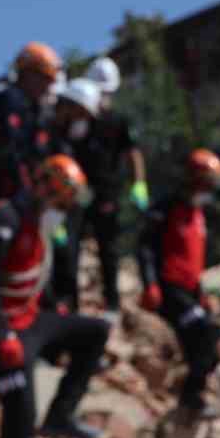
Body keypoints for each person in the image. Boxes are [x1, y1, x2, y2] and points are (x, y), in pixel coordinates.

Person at [0, 154, 110, 438]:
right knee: (20, 418)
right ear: (46, 188)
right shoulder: (7, 218)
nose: (64, 209)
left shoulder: (37, 224)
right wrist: (2, 335)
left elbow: (31, 273)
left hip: (30, 320)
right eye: (62, 201)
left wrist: (54, 310)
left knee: (95, 332)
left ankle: (61, 416)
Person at [136, 149, 220, 426]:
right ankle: (189, 397)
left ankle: (188, 405)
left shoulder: (198, 214)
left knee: (206, 350)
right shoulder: (165, 209)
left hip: (190, 292)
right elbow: (145, 249)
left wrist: (201, 294)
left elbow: (195, 259)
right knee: (207, 334)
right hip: (170, 290)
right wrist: (150, 283)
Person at [70, 57, 147, 314]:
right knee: (71, 246)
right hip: (77, 193)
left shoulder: (117, 121)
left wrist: (139, 183)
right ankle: (70, 302)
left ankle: (111, 303)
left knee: (108, 249)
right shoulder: (78, 118)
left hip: (106, 192)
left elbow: (133, 153)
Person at [44, 78, 101, 312]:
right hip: (47, 210)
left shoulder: (72, 140)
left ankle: (69, 311)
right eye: (81, 112)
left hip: (68, 211)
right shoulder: (45, 131)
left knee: (68, 263)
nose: (83, 119)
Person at [0, 43, 61, 201]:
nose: (47, 87)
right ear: (28, 74)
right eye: (45, 79)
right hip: (0, 192)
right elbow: (10, 150)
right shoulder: (10, 100)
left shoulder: (35, 110)